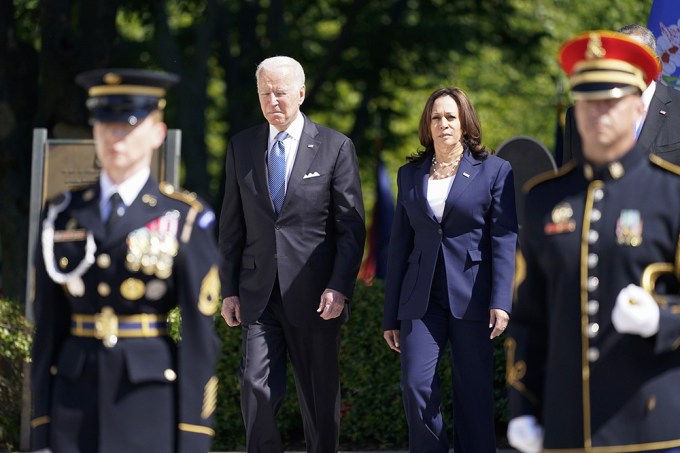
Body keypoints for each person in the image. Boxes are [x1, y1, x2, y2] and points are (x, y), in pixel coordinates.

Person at [30, 68, 222, 453]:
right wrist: (40, 426)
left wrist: (194, 436)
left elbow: (201, 340)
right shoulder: (62, 214)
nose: (115, 136)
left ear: (157, 133)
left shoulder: (184, 217)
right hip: (73, 398)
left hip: (148, 399)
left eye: (129, 125)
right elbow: (47, 328)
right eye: (105, 124)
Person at [507, 31, 680, 452]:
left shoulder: (670, 194)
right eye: (587, 100)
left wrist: (663, 320)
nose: (597, 112)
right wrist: (523, 409)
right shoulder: (544, 199)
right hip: (567, 426)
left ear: (639, 104)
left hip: (652, 429)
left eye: (611, 100)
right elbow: (529, 317)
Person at [218, 56, 365, 453]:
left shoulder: (335, 147)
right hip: (258, 293)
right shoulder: (242, 146)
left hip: (316, 295)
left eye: (280, 92)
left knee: (319, 400)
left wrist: (339, 287)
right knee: (255, 387)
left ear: (300, 93)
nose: (273, 101)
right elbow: (231, 227)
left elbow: (350, 229)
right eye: (265, 93)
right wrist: (228, 289)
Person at [383, 87, 518, 453]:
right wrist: (389, 316)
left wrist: (501, 300)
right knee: (416, 384)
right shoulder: (409, 175)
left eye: (450, 117)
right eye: (436, 117)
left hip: (472, 292)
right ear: (427, 126)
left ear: (464, 123)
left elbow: (504, 240)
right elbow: (399, 246)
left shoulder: (495, 171)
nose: (443, 123)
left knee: (472, 391)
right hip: (420, 298)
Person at [562, 24, 680, 166]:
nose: (626, 67)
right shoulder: (580, 117)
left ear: (656, 63)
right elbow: (572, 179)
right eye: (620, 59)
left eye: (634, 58)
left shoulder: (677, 108)